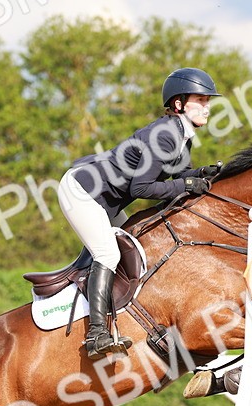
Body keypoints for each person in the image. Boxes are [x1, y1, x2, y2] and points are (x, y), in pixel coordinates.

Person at [57, 67, 224, 359]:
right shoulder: (165, 135)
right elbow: (142, 188)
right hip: (82, 191)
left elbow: (178, 175)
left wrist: (201, 173)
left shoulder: (181, 135)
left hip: (105, 201)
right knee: (108, 254)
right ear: (179, 103)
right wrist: (187, 183)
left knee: (137, 249)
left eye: (208, 101)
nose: (207, 107)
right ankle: (96, 335)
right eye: (201, 100)